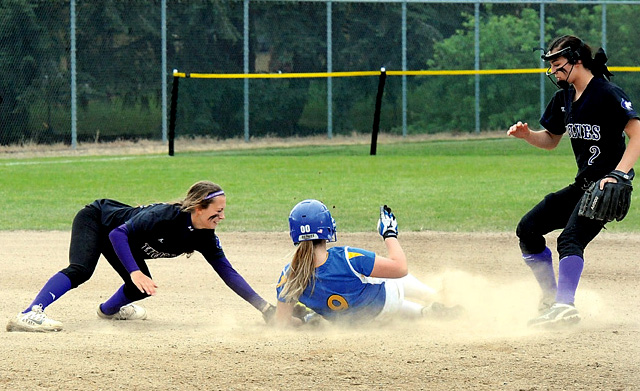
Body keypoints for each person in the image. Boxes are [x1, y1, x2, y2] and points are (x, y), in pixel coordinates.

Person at [6, 180, 276, 332]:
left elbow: (228, 273)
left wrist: (265, 309)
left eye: (223, 211)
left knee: (142, 289)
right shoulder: (165, 216)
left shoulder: (202, 235)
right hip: (97, 220)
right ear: (197, 207)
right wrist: (134, 271)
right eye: (217, 211)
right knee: (81, 269)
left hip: (120, 236)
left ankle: (109, 311)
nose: (222, 216)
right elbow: (117, 235)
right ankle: (30, 313)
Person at [507, 35, 640, 327]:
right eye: (552, 66)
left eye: (558, 64)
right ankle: (551, 300)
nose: (554, 72)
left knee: (570, 239)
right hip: (582, 186)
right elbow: (552, 140)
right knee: (528, 229)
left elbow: (637, 134)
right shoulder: (565, 98)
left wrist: (619, 174)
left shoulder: (606, 93)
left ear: (577, 61)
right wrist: (528, 135)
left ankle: (565, 306)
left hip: (605, 188)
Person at [273, 199, 462, 327]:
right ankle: (432, 295)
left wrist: (302, 322)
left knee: (354, 305)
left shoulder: (288, 276)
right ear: (327, 228)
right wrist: (389, 234)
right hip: (387, 300)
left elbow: (281, 323)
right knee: (378, 277)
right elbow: (400, 268)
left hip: (362, 323)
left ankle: (423, 313)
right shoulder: (345, 256)